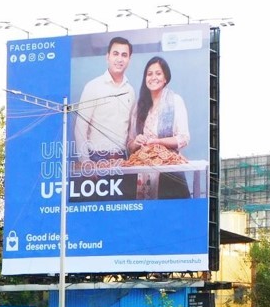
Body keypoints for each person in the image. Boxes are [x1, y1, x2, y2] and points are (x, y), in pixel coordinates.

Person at [128, 56, 191, 199]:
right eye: (149, 74)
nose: (153, 77)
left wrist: (157, 142)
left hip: (169, 172)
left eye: (158, 73)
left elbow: (184, 138)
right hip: (143, 173)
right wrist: (136, 142)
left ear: (165, 78)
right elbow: (130, 144)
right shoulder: (139, 107)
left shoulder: (175, 101)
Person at [73, 36, 135, 165]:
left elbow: (129, 130)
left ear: (129, 59)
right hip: (96, 158)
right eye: (115, 54)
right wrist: (85, 162)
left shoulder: (130, 91)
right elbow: (80, 127)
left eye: (124, 55)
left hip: (122, 159)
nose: (119, 59)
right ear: (107, 57)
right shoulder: (93, 86)